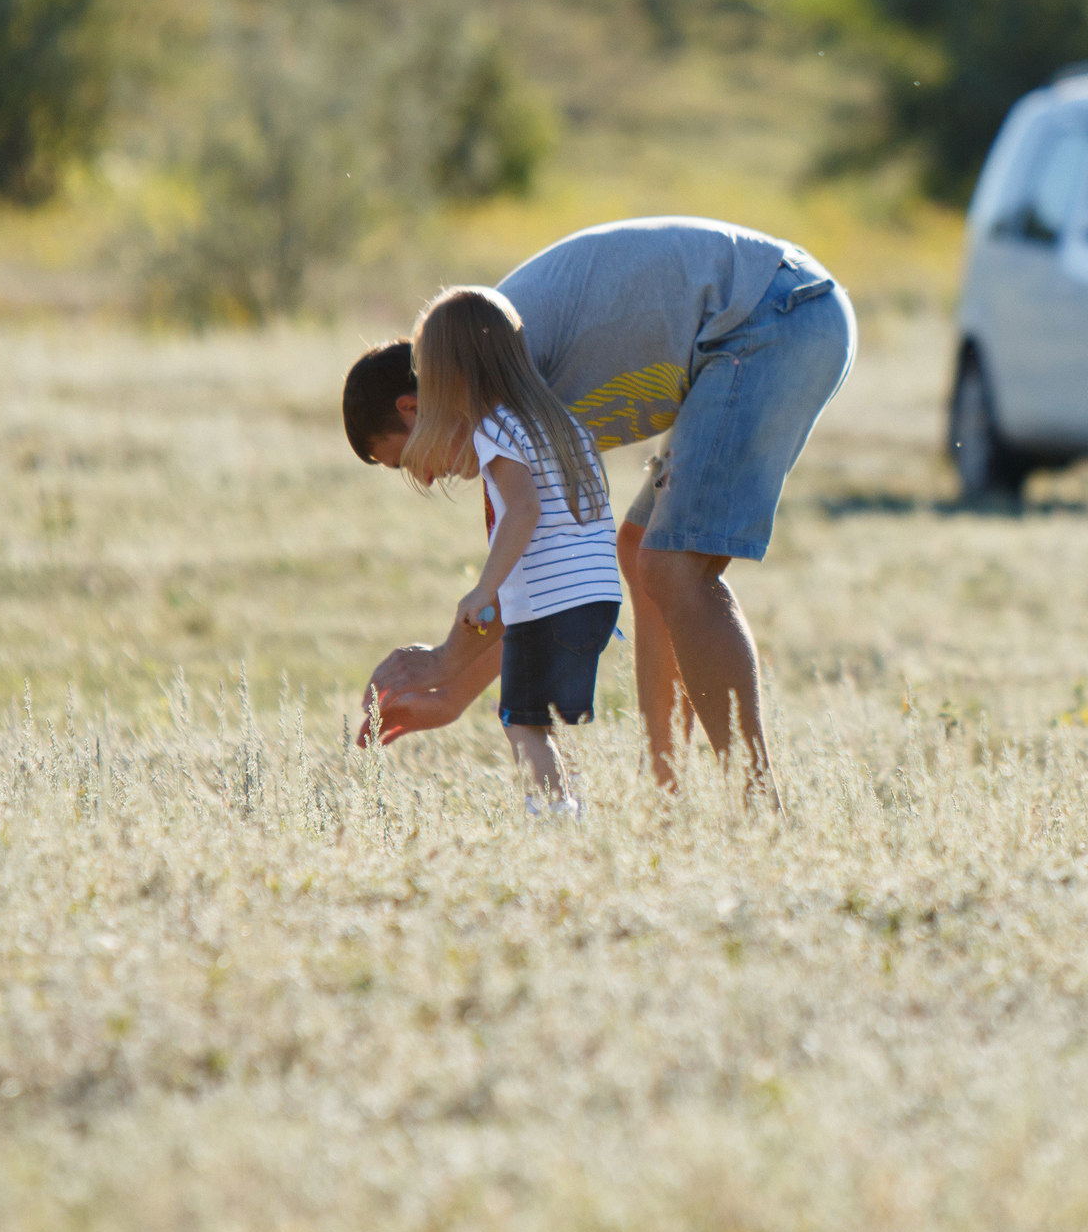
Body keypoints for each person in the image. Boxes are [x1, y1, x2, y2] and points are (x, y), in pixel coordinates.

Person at [344, 218, 856, 800]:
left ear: (412, 408)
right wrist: (454, 687)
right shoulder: (480, 389)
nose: (428, 478)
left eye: (407, 461)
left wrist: (444, 664)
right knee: (643, 550)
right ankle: (668, 796)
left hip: (771, 316)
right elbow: (540, 588)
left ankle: (760, 809)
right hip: (775, 314)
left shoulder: (493, 380)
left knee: (674, 565)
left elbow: (521, 578)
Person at [402, 285, 621, 814]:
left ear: (450, 373)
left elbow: (523, 510)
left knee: (522, 724)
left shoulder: (494, 428)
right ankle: (573, 812)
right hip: (598, 596)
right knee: (551, 721)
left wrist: (484, 588)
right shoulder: (560, 422)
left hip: (550, 603)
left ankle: (553, 824)